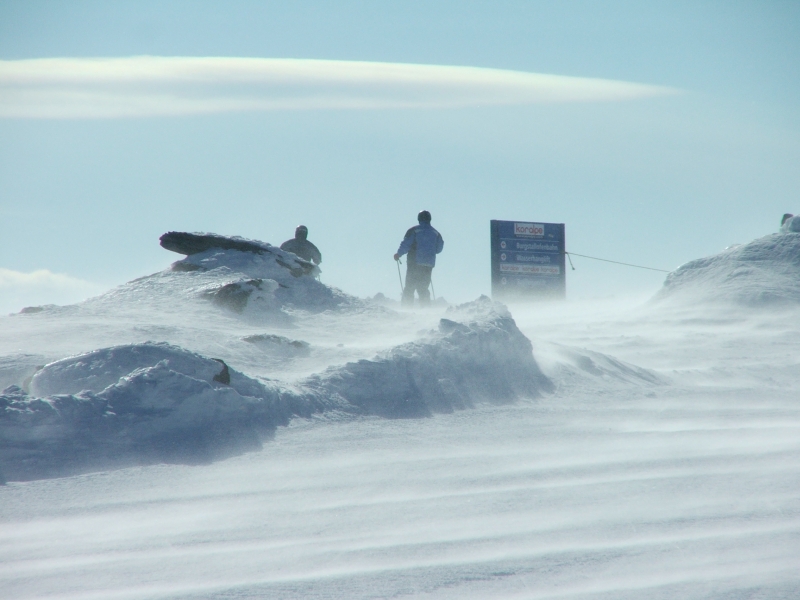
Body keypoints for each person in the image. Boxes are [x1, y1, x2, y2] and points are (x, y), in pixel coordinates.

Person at [393, 210, 444, 307]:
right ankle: (425, 309)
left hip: (414, 262)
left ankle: (406, 308)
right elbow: (439, 249)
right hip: (428, 264)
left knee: (409, 287)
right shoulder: (436, 233)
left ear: (419, 219)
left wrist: (398, 254)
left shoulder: (414, 230)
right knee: (423, 288)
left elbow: (406, 244)